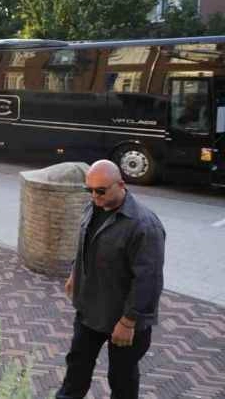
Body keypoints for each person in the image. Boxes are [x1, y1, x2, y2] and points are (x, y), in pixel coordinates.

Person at [57, 159, 165, 399]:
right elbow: (85, 244)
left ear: (121, 185)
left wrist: (128, 322)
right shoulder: (94, 207)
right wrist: (75, 272)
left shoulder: (144, 226)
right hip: (90, 310)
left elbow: (149, 280)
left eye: (101, 190)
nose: (94, 195)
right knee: (76, 368)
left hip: (124, 319)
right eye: (90, 190)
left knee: (121, 378)